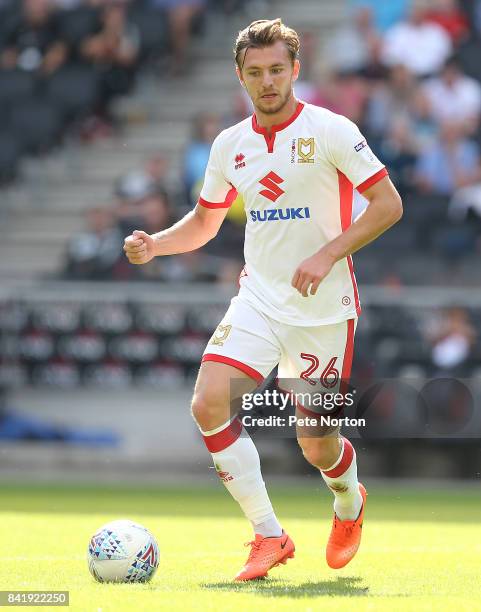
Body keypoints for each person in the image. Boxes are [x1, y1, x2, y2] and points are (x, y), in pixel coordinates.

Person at [124, 18, 403, 581]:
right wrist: (156, 244)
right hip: (259, 300)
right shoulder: (230, 144)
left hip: (323, 310)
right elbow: (205, 222)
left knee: (316, 444)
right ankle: (269, 535)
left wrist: (327, 254)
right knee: (208, 403)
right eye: (256, 73)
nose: (268, 81)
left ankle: (348, 500)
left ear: (295, 69)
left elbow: (387, 205)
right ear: (240, 77)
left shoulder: (332, 130)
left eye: (277, 69)